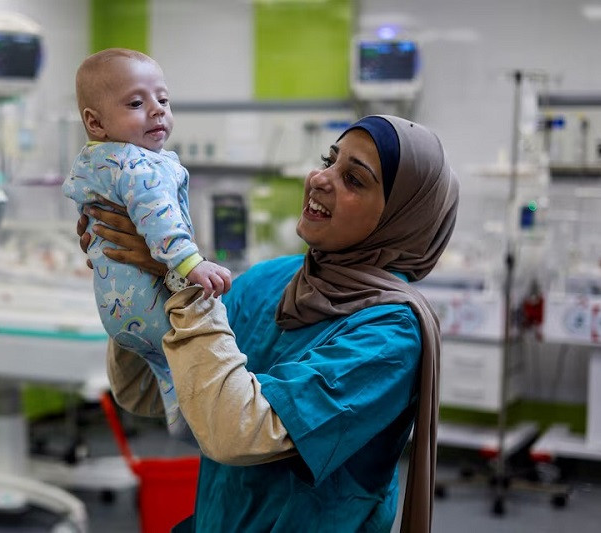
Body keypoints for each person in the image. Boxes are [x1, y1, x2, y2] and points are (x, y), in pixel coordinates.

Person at [78, 115, 459, 532]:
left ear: (402, 219)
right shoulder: (271, 279)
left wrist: (176, 280)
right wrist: (135, 280)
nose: (320, 178)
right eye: (328, 160)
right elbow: (153, 393)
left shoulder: (391, 334)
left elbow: (236, 431)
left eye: (354, 179)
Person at [63, 48, 232, 438]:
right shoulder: (135, 165)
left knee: (166, 368)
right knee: (192, 367)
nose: (157, 110)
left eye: (163, 99)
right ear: (95, 122)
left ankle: (180, 415)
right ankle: (189, 422)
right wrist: (192, 265)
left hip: (119, 307)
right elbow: (160, 220)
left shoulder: (97, 161)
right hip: (149, 301)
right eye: (137, 103)